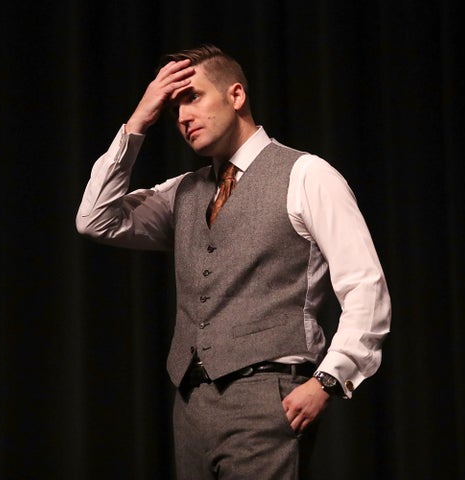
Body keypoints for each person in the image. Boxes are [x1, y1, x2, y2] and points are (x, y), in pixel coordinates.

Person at [76, 44, 391, 479]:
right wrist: (138, 121)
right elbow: (95, 219)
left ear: (236, 96)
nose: (182, 117)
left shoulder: (306, 174)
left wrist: (328, 380)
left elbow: (365, 287)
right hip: (191, 406)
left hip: (270, 397)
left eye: (193, 97)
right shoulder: (183, 191)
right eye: (173, 109)